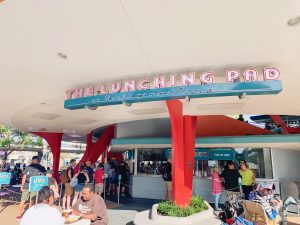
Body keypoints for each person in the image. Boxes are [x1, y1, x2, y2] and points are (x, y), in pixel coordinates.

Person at [16, 156, 46, 221]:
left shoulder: (41, 167)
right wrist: (22, 185)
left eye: (36, 160)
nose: (35, 161)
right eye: (34, 160)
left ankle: (29, 215)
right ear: (32, 160)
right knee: (23, 200)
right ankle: (19, 214)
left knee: (32, 201)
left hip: (35, 185)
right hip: (27, 185)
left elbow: (43, 177)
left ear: (38, 161)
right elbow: (24, 177)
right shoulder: (28, 167)